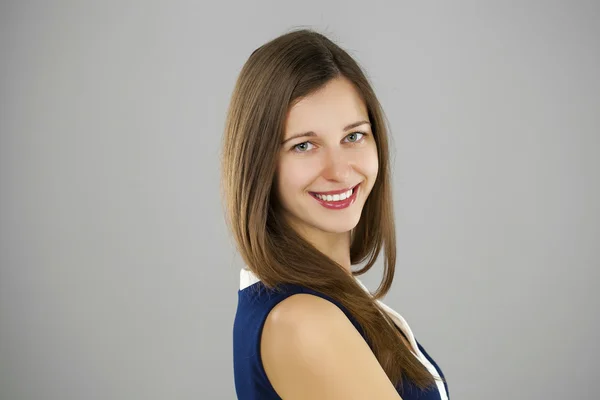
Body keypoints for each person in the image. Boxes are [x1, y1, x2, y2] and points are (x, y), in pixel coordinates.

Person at [221, 28, 449, 400]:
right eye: (304, 145)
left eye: (353, 136)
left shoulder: (319, 299)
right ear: (258, 162)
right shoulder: (304, 322)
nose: (340, 171)